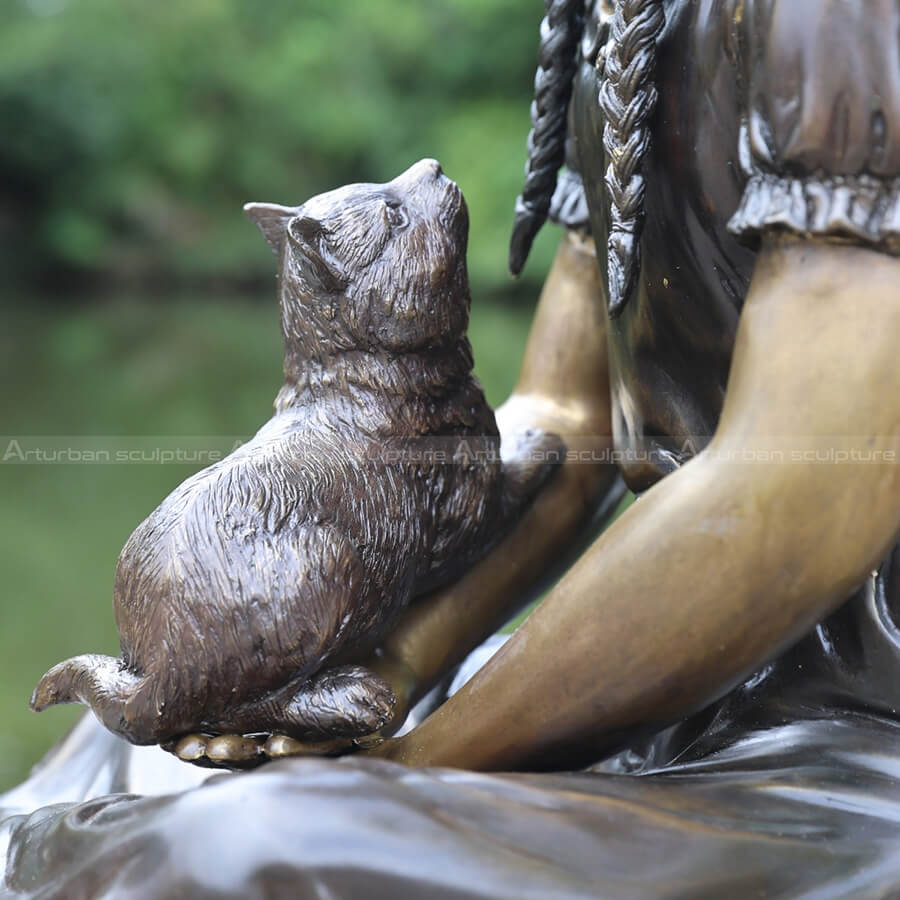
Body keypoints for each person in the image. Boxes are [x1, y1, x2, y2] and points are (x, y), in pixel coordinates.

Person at [3, 1, 899, 896]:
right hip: (672, 683)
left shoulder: (832, 23)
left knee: (249, 845)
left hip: (846, 719)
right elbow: (563, 418)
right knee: (138, 762)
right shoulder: (621, 22)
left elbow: (796, 494)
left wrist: (416, 759)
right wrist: (393, 664)